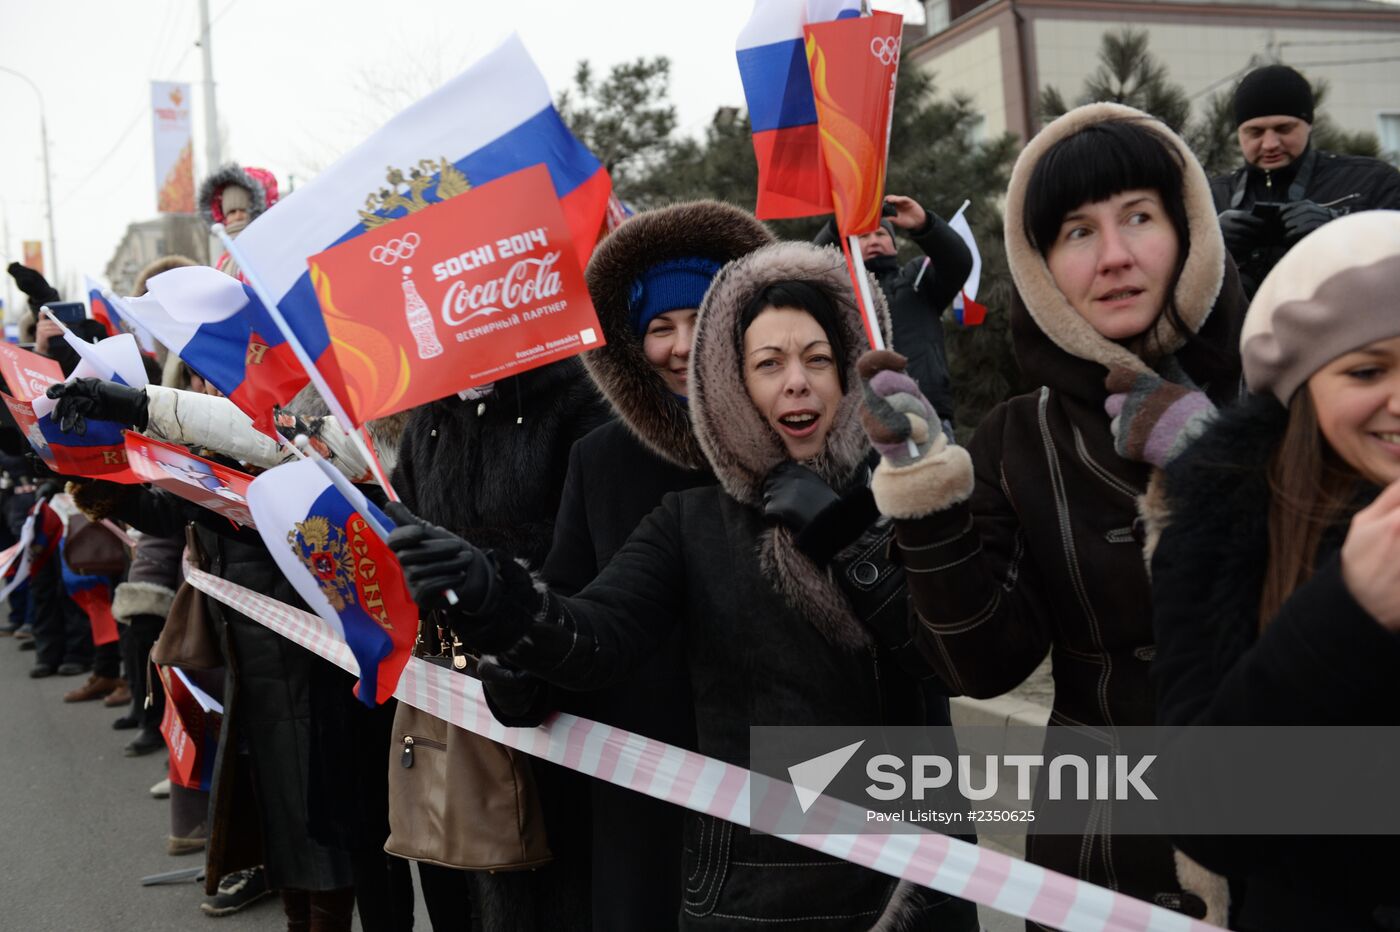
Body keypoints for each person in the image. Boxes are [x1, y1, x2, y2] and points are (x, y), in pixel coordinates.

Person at [386, 240, 978, 930]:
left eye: (818, 359)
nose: (797, 382)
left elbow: (965, 655)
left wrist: (856, 532)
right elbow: (592, 633)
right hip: (754, 877)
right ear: (731, 381)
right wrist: (492, 595)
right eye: (768, 364)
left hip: (907, 864)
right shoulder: (685, 517)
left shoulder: (906, 484)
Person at [856, 103, 1248, 923]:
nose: (1113, 257)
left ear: (1190, 232)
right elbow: (982, 667)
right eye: (1075, 232)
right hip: (1096, 852)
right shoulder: (1019, 435)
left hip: (1282, 840)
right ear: (1040, 265)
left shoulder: (1285, 397)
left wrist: (1212, 472)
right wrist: (925, 495)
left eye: (1139, 217)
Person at [514, 200, 772, 930]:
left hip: (783, 783)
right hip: (644, 783)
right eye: (661, 327)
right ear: (632, 343)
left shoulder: (798, 445)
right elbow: (567, 606)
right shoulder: (600, 460)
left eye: (703, 319)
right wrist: (516, 664)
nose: (683, 346)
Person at [1150, 210, 1400, 930]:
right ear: (1304, 387)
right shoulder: (1224, 530)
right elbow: (1205, 815)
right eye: (1366, 369)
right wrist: (1346, 614)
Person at [388, 355, 611, 932]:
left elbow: (584, 541)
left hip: (556, 681)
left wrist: (476, 567)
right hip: (459, 690)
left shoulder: (576, 398)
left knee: (564, 874)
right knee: (478, 869)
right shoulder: (428, 415)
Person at [1212, 64, 1400, 297]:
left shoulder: (1373, 181)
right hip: (1240, 332)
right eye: (1255, 132)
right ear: (1238, 133)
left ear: (1309, 125)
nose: (1270, 143)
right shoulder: (1208, 197)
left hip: (1343, 329)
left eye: (1284, 128)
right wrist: (1210, 245)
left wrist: (1339, 227)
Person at [816, 195, 973, 429]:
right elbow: (810, 267)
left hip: (925, 409)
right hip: (861, 420)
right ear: (848, 246)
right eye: (863, 236)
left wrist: (924, 224)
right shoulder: (840, 291)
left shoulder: (919, 277)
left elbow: (959, 262)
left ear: (895, 244)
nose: (873, 240)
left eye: (881, 234)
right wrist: (835, 225)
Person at [197, 163, 280, 280]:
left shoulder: (270, 251)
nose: (238, 216)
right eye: (231, 212)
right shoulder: (224, 261)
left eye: (244, 210)